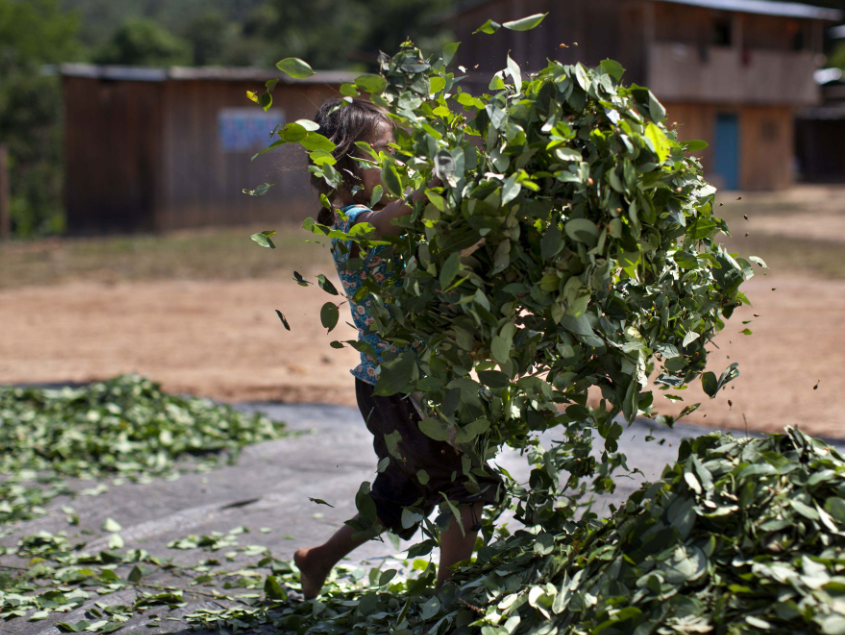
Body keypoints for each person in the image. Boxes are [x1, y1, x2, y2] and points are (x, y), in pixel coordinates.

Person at [293, 98, 503, 599]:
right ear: (348, 164)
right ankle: (451, 600)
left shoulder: (396, 214)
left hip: (409, 383)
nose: (397, 160)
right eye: (386, 151)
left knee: (400, 491)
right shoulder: (349, 223)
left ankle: (317, 559)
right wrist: (439, 179)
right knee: (464, 484)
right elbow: (389, 224)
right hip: (400, 387)